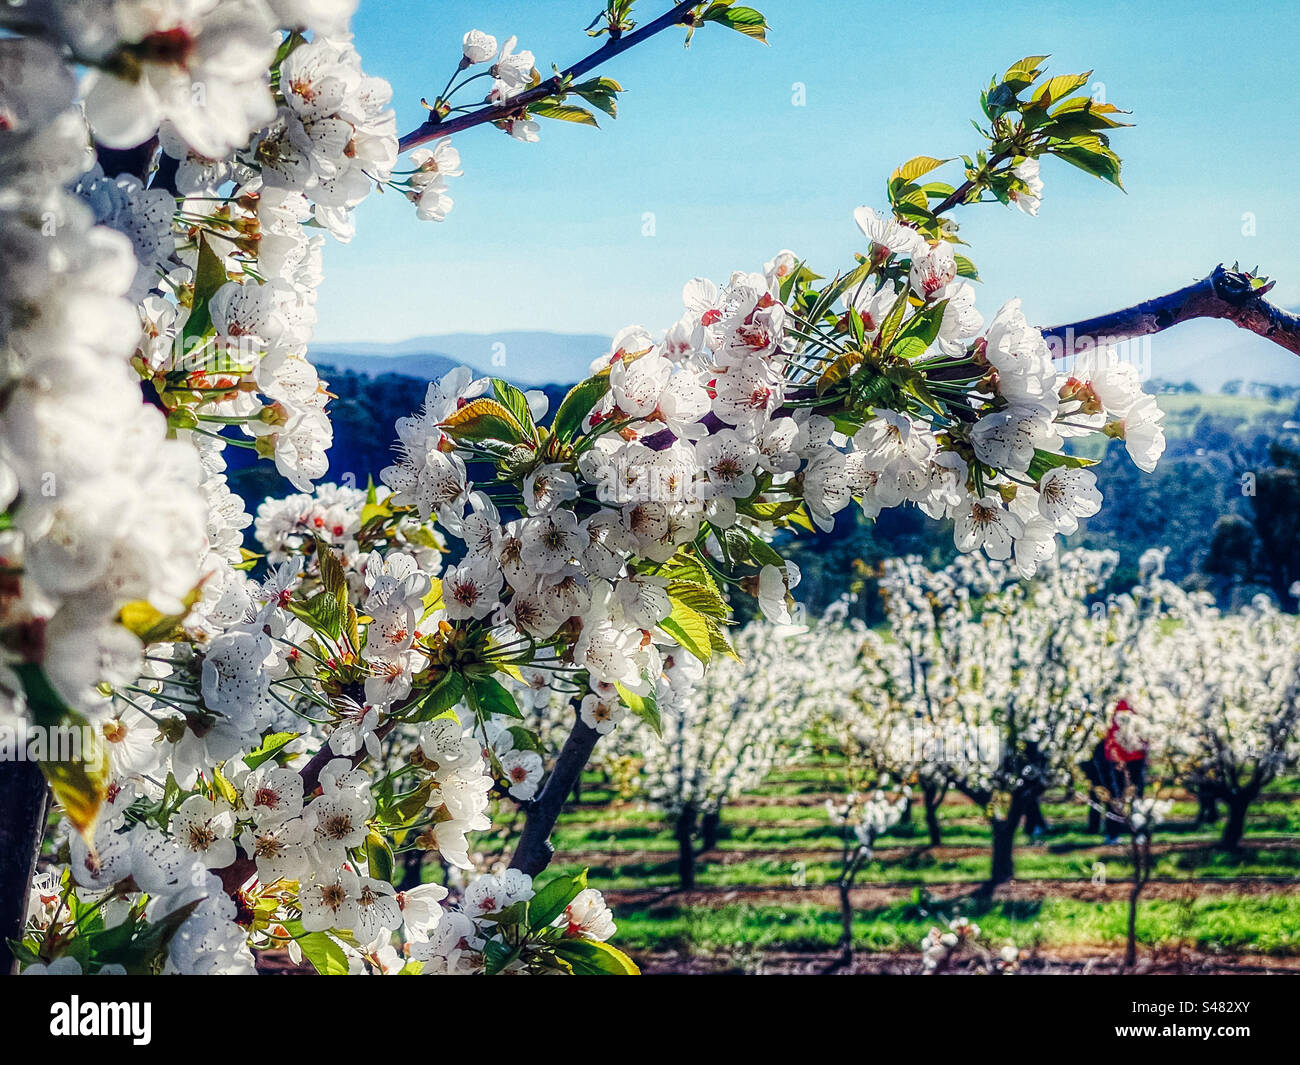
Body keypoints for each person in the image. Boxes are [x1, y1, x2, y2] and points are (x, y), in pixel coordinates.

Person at [1101, 698, 1148, 844]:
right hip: (1117, 756)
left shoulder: (1137, 700)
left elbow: (1143, 730)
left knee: (1136, 796)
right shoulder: (1112, 699)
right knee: (1115, 796)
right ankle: (1113, 833)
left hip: (1135, 756)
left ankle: (1139, 831)